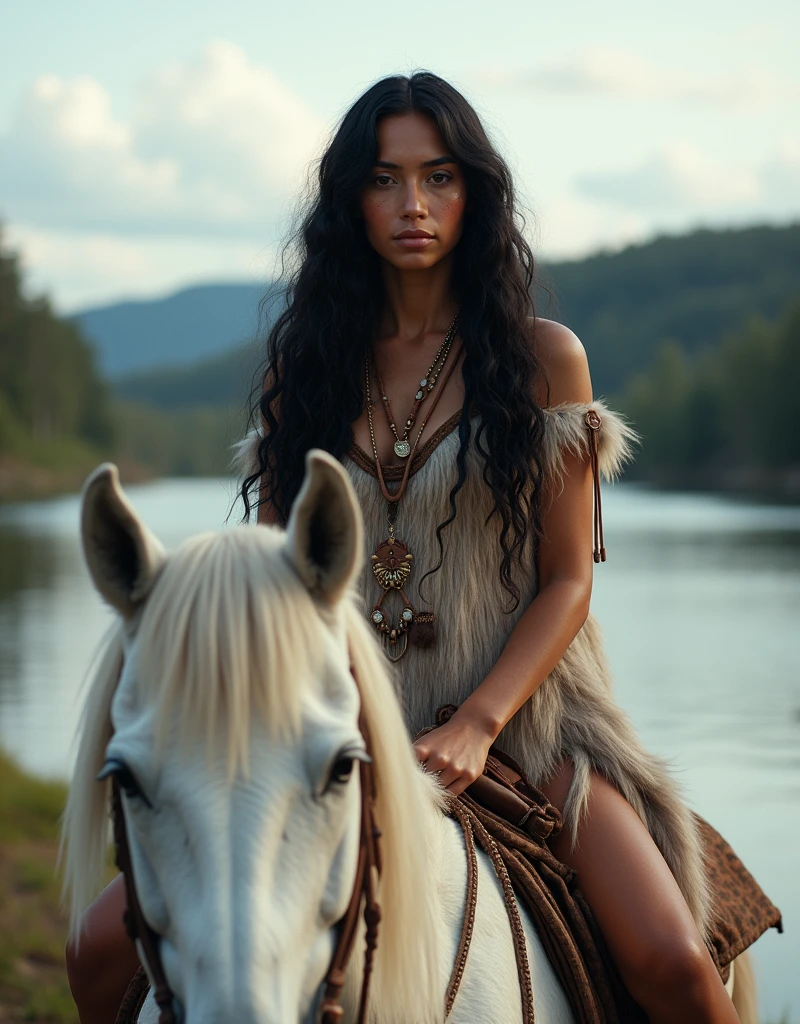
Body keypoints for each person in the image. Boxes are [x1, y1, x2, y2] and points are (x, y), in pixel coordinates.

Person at [67, 71, 743, 1024]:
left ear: (475, 192)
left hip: (530, 719)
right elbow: (275, 594)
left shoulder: (546, 355)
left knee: (672, 965)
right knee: (97, 953)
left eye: (438, 177)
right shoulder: (303, 366)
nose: (413, 205)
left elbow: (565, 584)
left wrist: (476, 723)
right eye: (385, 180)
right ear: (352, 199)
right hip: (338, 725)